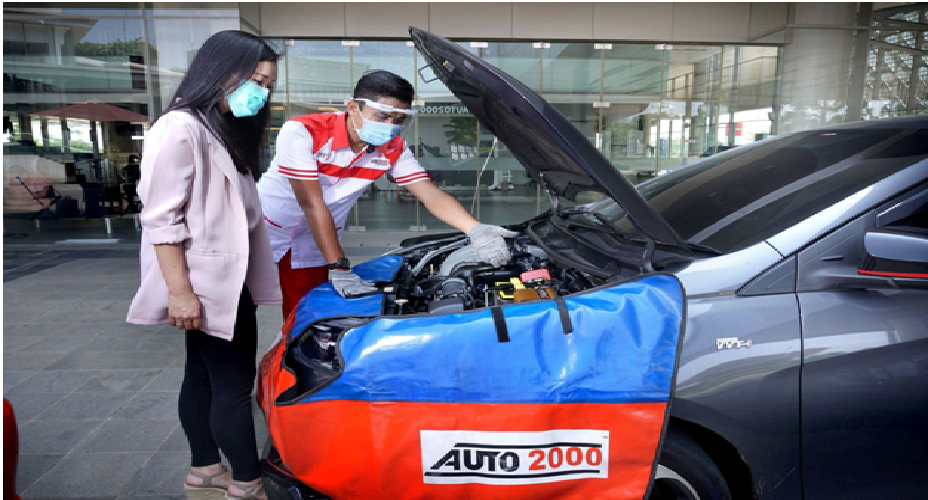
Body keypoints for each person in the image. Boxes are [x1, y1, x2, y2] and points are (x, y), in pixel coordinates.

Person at [125, 30, 282, 500]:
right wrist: (180, 293)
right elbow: (161, 220)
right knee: (232, 388)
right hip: (206, 285)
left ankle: (205, 469)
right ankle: (247, 482)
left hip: (226, 281)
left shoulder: (220, 129)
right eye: (255, 80)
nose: (262, 92)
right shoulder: (180, 128)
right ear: (220, 72)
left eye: (268, 84)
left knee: (202, 377)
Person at [257, 70, 517, 321]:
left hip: (316, 239)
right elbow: (312, 203)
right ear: (353, 107)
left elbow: (429, 193)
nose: (390, 126)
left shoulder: (393, 148)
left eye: (398, 119)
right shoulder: (303, 131)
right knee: (241, 305)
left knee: (303, 312)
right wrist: (340, 267)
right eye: (382, 116)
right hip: (266, 228)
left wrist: (475, 229)